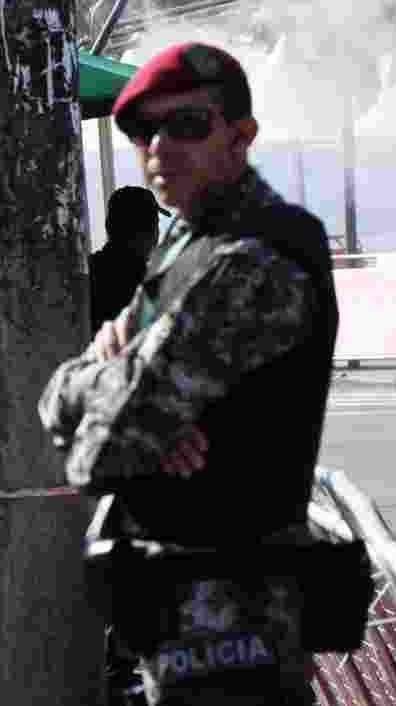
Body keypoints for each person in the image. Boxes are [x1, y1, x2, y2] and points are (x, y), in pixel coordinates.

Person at [39, 42, 344, 706]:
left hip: (237, 628)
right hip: (172, 612)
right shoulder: (184, 243)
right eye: (143, 131)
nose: (159, 147)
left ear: (241, 138)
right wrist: (116, 385)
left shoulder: (258, 253)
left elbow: (102, 448)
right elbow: (71, 405)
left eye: (187, 125)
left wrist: (114, 383)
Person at [89, 186, 161, 334]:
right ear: (149, 232)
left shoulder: (86, 272)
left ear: (109, 226)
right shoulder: (150, 283)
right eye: (156, 224)